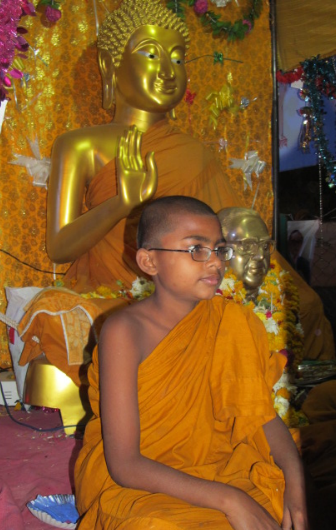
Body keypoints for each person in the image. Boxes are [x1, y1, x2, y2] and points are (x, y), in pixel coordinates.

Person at [75, 196, 308, 530]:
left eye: (220, 249)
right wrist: (231, 500)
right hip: (140, 483)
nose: (214, 263)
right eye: (196, 249)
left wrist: (297, 492)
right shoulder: (124, 332)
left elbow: (262, 417)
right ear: (149, 261)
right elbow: (125, 465)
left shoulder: (231, 323)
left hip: (219, 468)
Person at [218, 207, 274, 301]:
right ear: (221, 250)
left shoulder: (279, 299)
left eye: (265, 246)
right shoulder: (209, 308)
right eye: (248, 246)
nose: (260, 256)